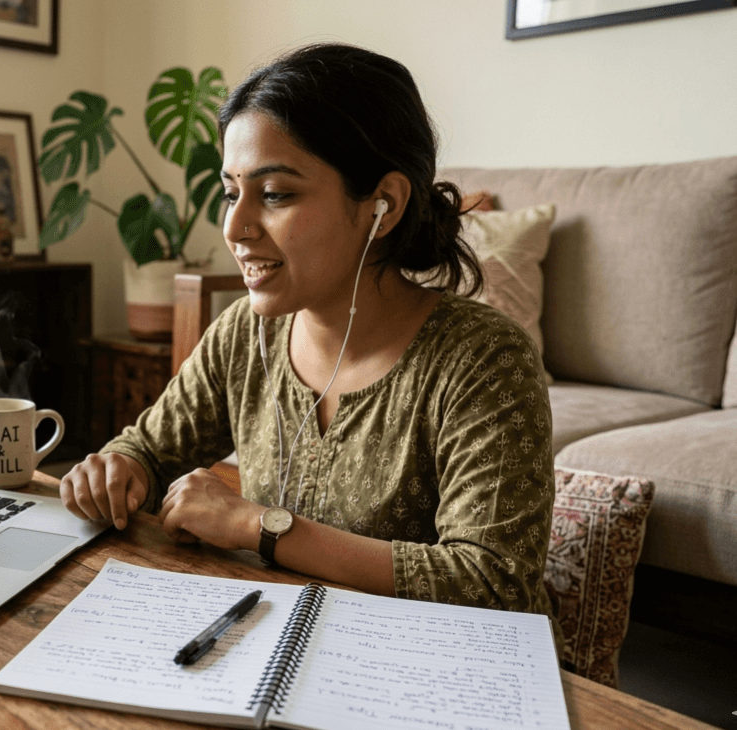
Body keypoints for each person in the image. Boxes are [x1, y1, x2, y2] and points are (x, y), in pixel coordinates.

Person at [59, 43, 557, 621]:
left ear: (383, 204)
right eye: (230, 192)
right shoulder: (245, 335)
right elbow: (148, 447)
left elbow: (493, 583)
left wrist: (256, 525)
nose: (235, 226)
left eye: (275, 194)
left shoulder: (482, 360)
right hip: (278, 644)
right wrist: (117, 471)